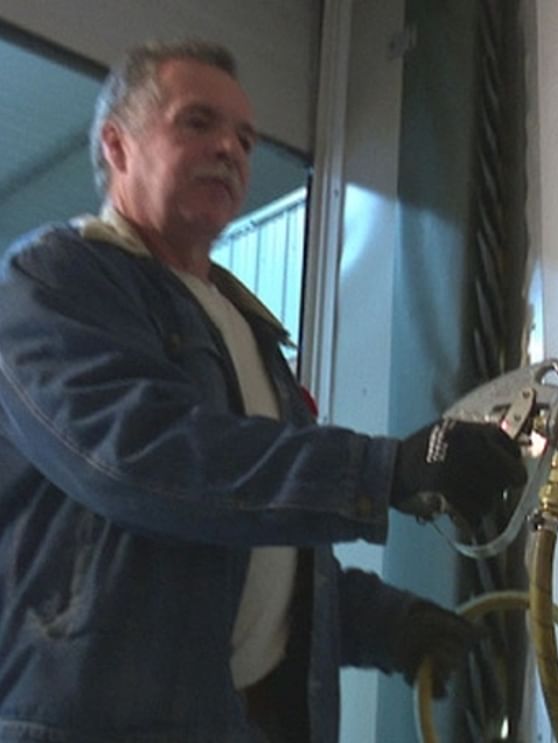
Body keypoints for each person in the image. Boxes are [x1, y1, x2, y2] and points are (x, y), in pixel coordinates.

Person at [0, 39, 527, 742]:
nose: (230, 149)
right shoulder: (54, 280)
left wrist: (388, 622)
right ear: (117, 145)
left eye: (245, 137)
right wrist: (381, 469)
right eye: (198, 122)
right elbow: (135, 454)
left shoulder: (241, 324)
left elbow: (257, 559)